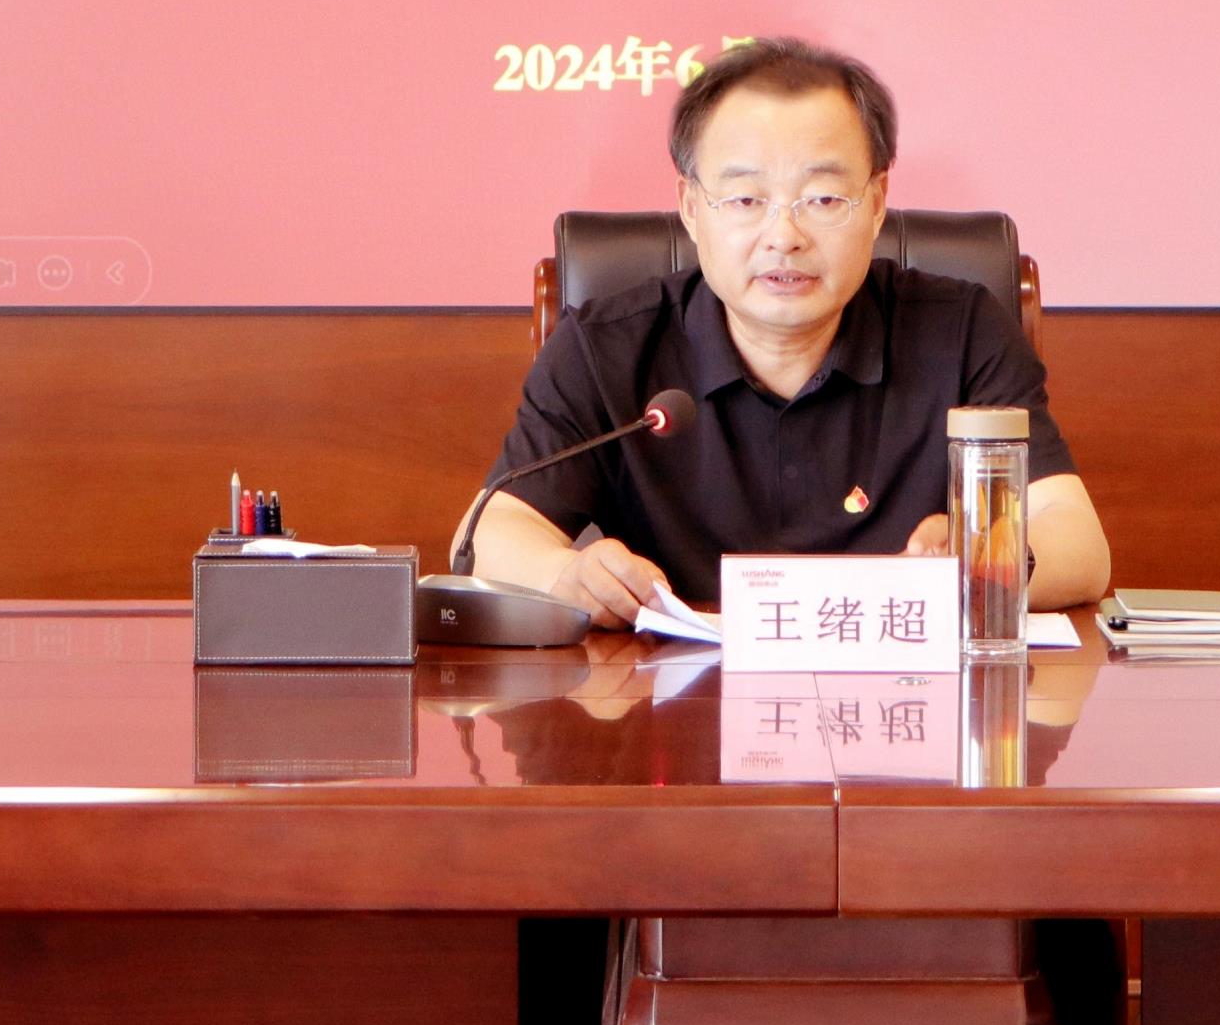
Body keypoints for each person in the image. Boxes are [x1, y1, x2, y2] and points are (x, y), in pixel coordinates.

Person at [457, 35, 1109, 620]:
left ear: (876, 204)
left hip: (902, 700)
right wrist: (567, 575)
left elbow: (1076, 540)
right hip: (667, 705)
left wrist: (982, 563)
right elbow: (490, 534)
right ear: (691, 207)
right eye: (746, 199)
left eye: (822, 198)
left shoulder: (961, 334)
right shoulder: (605, 349)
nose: (784, 236)